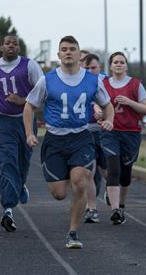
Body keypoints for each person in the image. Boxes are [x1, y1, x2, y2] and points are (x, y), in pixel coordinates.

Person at [24, 36, 113, 249]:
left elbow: (107, 104)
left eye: (72, 49)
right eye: (64, 49)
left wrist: (109, 119)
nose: (68, 52)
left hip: (81, 137)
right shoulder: (48, 79)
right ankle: (72, 202)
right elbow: (29, 107)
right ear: (58, 54)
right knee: (59, 193)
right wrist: (29, 133)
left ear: (79, 53)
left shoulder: (92, 80)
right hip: (55, 139)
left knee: (80, 183)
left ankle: (73, 233)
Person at [0, 34, 43, 232]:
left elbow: (44, 92)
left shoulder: (30, 66)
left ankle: (21, 184)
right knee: (7, 162)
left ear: (19, 48)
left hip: (25, 121)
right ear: (1, 46)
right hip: (2, 122)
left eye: (15, 44)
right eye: (7, 43)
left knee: (23, 163)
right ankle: (8, 209)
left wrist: (24, 101)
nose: (11, 46)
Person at [101, 51, 146, 225]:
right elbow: (95, 104)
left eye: (122, 62)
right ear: (111, 66)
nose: (119, 64)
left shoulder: (136, 85)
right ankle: (115, 209)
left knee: (125, 173)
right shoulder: (104, 84)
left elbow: (145, 109)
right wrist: (98, 111)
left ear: (126, 66)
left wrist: (130, 102)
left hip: (131, 133)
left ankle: (121, 205)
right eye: (115, 62)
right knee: (113, 168)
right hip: (110, 131)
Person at [82, 54, 108, 223]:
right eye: (87, 68)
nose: (90, 71)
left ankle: (114, 199)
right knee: (88, 172)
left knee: (107, 171)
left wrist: (104, 113)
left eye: (94, 68)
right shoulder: (77, 80)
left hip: (105, 131)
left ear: (99, 67)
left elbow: (110, 104)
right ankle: (92, 208)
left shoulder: (106, 81)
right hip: (85, 131)